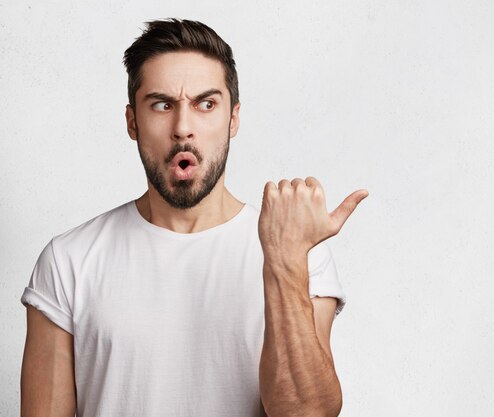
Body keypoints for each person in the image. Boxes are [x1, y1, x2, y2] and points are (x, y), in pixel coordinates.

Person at [19, 18, 367, 417]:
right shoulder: (69, 261)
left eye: (206, 104)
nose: (183, 129)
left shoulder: (299, 255)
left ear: (233, 119)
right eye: (163, 105)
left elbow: (307, 413)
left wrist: (285, 264)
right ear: (133, 121)